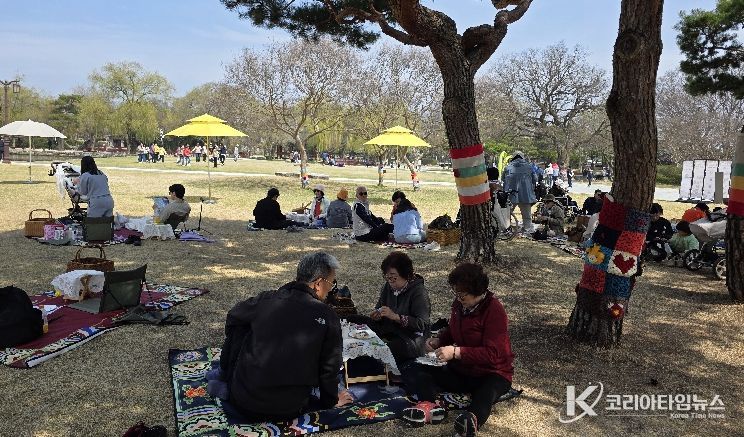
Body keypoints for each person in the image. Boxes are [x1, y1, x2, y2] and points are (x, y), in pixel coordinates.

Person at [218, 252, 353, 421]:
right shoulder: (327, 315)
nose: (331, 289)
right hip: (290, 407)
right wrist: (331, 400)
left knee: (241, 326)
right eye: (332, 283)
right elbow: (330, 367)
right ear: (318, 283)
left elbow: (233, 317)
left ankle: (225, 376)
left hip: (243, 401)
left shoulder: (266, 300)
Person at [402, 263, 513, 436]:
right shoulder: (460, 304)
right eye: (456, 293)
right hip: (464, 370)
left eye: (462, 294)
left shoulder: (494, 310)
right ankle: (429, 406)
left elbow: (493, 354)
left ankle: (470, 421)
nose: (458, 298)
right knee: (419, 370)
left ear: (478, 291)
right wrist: (439, 341)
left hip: (492, 372)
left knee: (485, 394)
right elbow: (454, 330)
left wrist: (456, 352)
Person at [346, 252, 430, 366]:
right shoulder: (388, 286)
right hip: (388, 329)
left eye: (393, 277)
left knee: (384, 351)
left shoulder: (418, 292)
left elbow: (422, 324)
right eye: (387, 277)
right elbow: (380, 307)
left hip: (409, 338)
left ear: (406, 274)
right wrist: (377, 315)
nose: (390, 281)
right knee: (352, 319)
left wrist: (396, 317)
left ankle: (366, 366)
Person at [503, 151, 538, 233]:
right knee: (527, 215)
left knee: (507, 214)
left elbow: (503, 179)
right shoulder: (529, 167)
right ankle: (527, 229)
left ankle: (506, 229)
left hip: (511, 194)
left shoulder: (508, 167)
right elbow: (535, 179)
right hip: (526, 194)